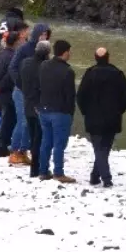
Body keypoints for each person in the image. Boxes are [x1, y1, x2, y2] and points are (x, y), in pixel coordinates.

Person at [77, 46, 126, 187]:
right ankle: (99, 177)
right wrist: (119, 111)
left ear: (95, 58)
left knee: (99, 149)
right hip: (112, 118)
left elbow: (80, 96)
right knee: (104, 149)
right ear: (108, 57)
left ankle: (101, 177)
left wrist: (85, 112)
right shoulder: (118, 74)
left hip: (93, 118)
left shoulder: (89, 74)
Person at [8, 22, 50, 166]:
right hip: (21, 92)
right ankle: (14, 151)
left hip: (35, 93)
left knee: (31, 122)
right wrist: (21, 84)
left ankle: (23, 151)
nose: (44, 36)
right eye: (42, 34)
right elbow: (12, 67)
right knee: (23, 122)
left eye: (46, 34)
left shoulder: (45, 51)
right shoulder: (24, 48)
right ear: (37, 34)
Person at [37, 39, 77, 183]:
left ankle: (43, 171)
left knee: (46, 141)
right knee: (59, 144)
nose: (70, 54)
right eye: (69, 51)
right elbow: (70, 96)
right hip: (60, 112)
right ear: (65, 52)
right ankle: (58, 173)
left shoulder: (44, 65)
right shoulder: (68, 71)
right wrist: (70, 113)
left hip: (44, 109)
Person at [0, 22, 26, 157]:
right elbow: (10, 76)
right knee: (7, 121)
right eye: (20, 40)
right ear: (15, 42)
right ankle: (1, 147)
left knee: (2, 119)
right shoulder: (14, 57)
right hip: (7, 93)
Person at [19, 39, 51, 179]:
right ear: (47, 53)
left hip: (27, 104)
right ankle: (36, 169)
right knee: (40, 139)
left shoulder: (25, 62)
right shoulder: (45, 66)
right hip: (39, 106)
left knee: (33, 137)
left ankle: (34, 168)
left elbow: (20, 80)